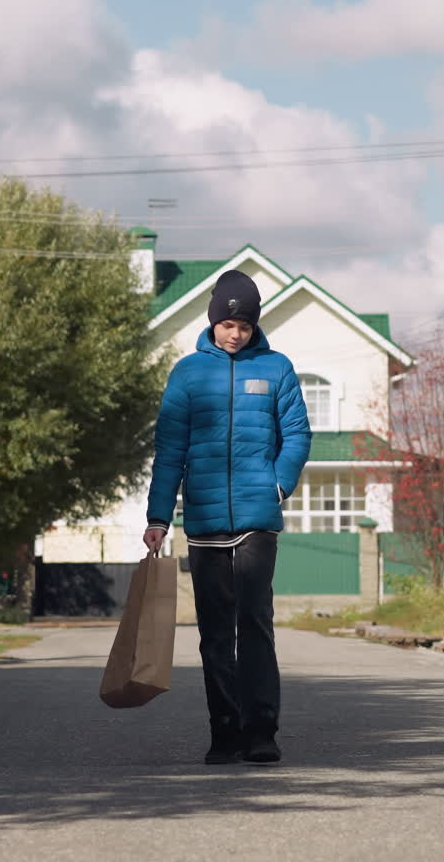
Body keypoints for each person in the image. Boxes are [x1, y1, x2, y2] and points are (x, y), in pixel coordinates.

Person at [143, 269, 311, 765]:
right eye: (227, 324)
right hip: (205, 520)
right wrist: (158, 515)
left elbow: (298, 434)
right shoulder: (187, 374)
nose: (235, 333)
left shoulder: (277, 368)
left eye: (244, 325)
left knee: (255, 622)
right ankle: (224, 730)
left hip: (258, 518)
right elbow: (169, 449)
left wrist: (278, 484)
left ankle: (261, 730)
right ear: (213, 321)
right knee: (215, 631)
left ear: (254, 326)